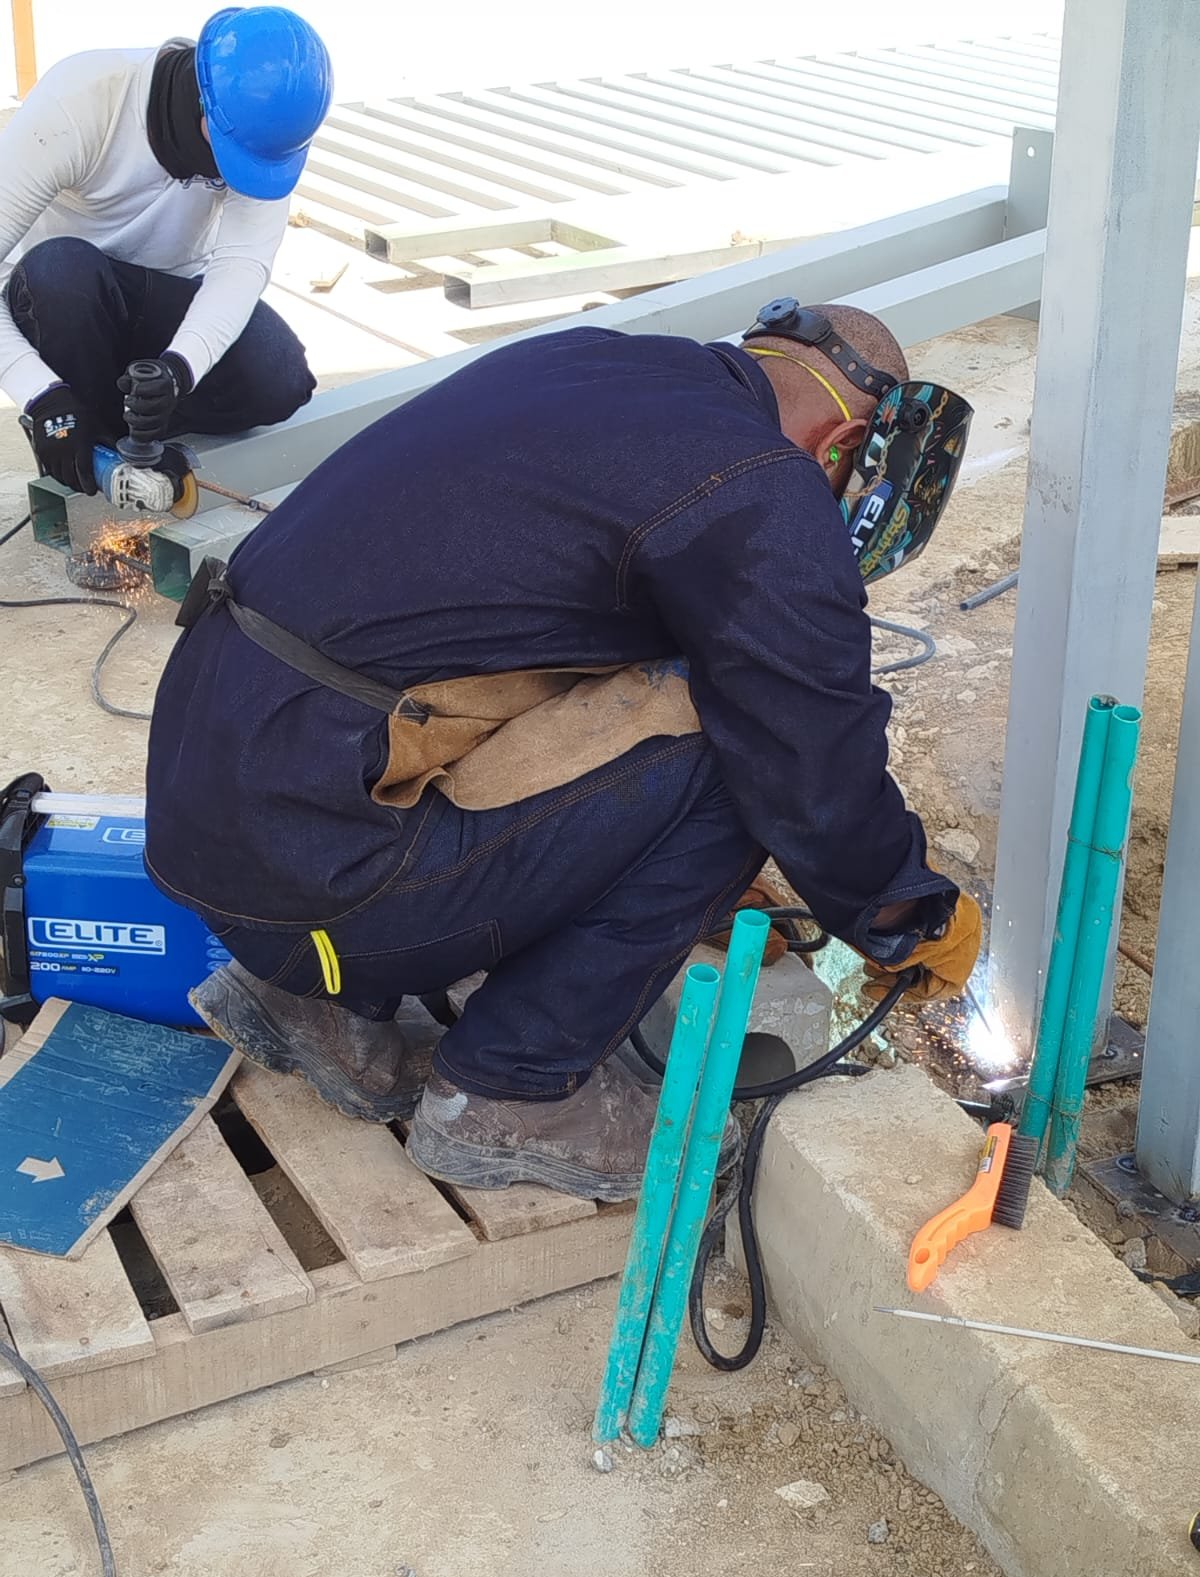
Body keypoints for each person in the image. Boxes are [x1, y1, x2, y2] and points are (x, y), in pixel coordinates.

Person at [144, 302, 982, 1202]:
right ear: (844, 444)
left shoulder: (596, 365)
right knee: (740, 747)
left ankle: (311, 1005)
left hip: (220, 827)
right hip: (326, 882)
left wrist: (643, 863)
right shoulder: (758, 481)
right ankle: (513, 1090)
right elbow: (812, 753)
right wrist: (904, 909)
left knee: (655, 671)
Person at [0, 7, 332, 496]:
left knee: (279, 376)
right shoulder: (81, 101)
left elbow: (240, 268)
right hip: (69, 308)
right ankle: (81, 427)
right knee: (60, 270)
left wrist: (180, 369)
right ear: (203, 110)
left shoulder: (265, 134)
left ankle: (131, 429)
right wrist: (40, 394)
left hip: (160, 297)